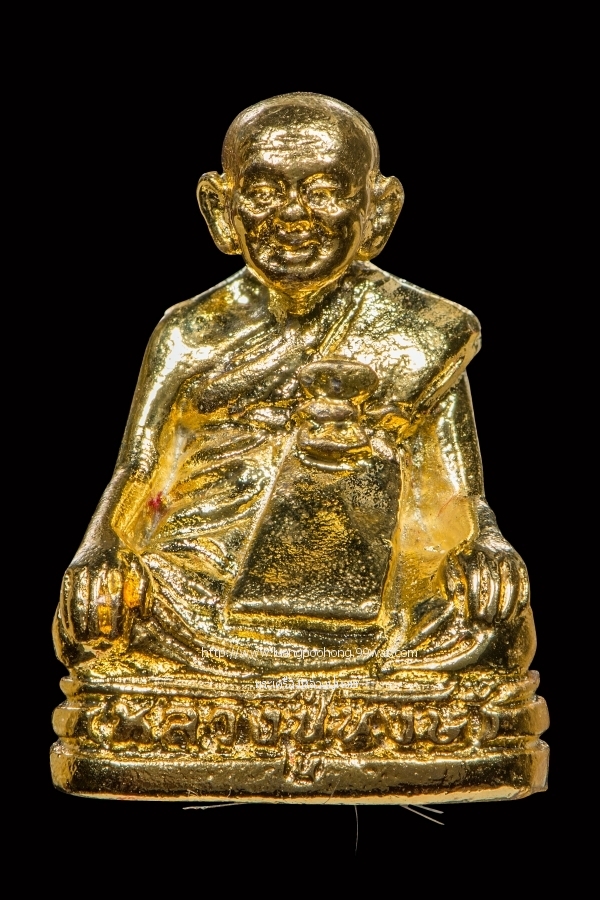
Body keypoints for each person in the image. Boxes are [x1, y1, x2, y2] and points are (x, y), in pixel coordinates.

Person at [54, 93, 534, 678]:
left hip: (378, 579)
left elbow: (460, 492)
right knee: (98, 622)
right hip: (203, 577)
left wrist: (488, 544)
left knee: (495, 622)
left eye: (325, 191)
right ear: (221, 209)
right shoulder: (188, 332)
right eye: (263, 193)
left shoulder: (426, 333)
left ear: (379, 211)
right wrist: (99, 548)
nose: (293, 216)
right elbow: (140, 466)